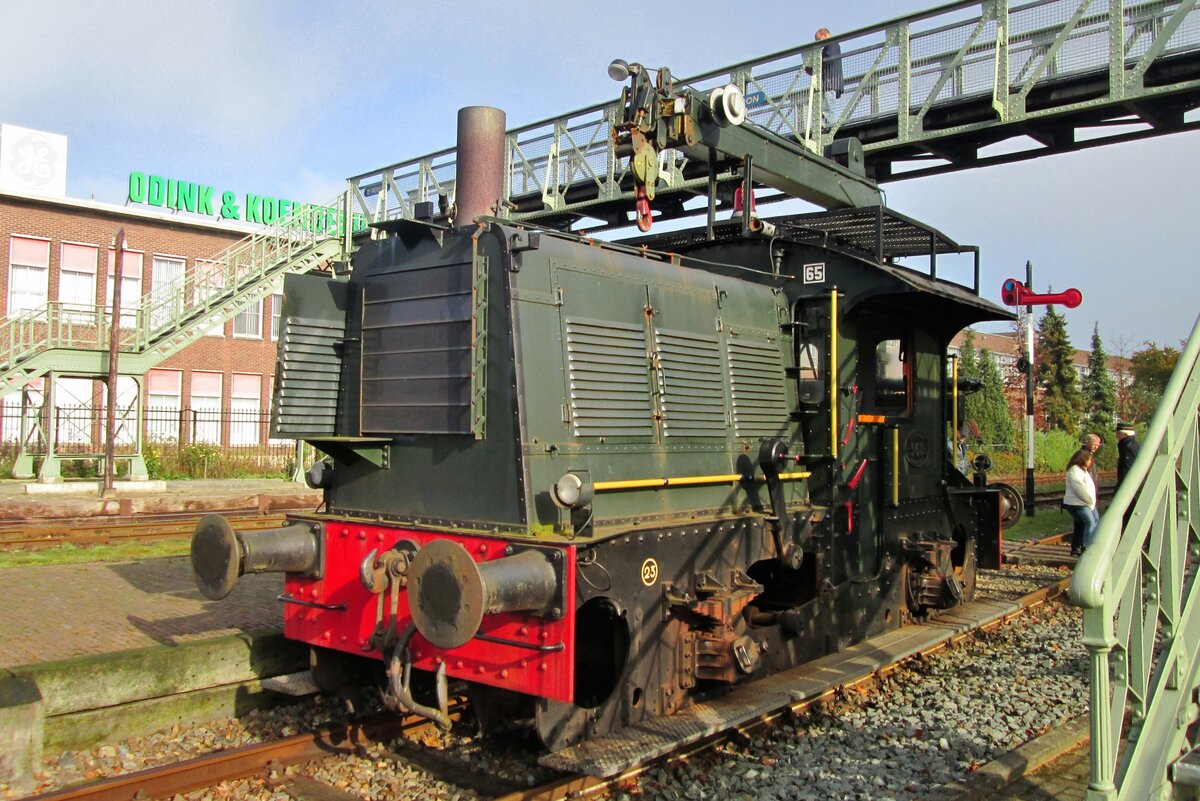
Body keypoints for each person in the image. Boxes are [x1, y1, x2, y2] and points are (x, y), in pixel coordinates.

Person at [1063, 449, 1098, 557]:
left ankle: (1076, 547)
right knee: (1090, 521)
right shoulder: (1075, 471)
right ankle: (1086, 546)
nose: (1090, 462)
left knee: (1082, 523)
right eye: (1089, 460)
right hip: (1078, 503)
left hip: (1084, 503)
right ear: (1082, 459)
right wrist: (1089, 500)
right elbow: (1078, 488)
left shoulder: (1083, 470)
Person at [809, 28, 844, 126]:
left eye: (818, 39)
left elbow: (827, 60)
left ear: (824, 35)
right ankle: (825, 124)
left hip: (830, 81)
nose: (818, 43)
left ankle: (828, 125)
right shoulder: (831, 45)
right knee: (825, 105)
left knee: (828, 106)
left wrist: (815, 62)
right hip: (828, 81)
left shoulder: (832, 44)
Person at [1115, 422, 1140, 488]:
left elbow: (1126, 471)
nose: (1116, 436)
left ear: (1124, 434)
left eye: (1118, 433)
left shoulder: (1127, 449)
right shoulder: (1134, 445)